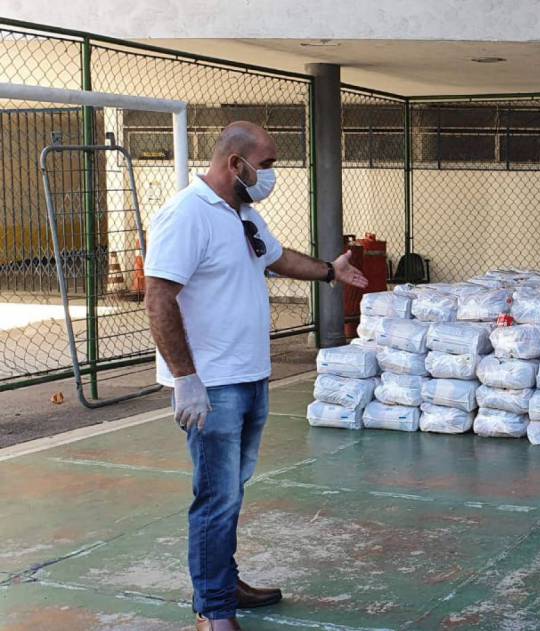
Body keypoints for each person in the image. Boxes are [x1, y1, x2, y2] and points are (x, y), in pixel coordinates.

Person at [144, 121, 368, 631]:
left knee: (231, 491)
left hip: (248, 375)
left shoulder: (241, 212)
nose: (271, 175)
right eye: (266, 165)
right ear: (235, 164)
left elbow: (277, 257)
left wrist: (329, 272)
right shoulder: (186, 214)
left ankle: (223, 582)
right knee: (216, 496)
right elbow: (158, 298)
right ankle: (214, 611)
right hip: (213, 384)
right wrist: (186, 379)